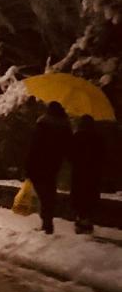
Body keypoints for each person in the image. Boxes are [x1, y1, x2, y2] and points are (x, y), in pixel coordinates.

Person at [25, 100, 72, 234]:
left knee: (44, 195)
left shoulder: (42, 124)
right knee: (48, 194)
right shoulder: (65, 126)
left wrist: (27, 167)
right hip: (53, 165)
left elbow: (34, 147)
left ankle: (47, 224)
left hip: (38, 165)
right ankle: (47, 223)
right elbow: (68, 149)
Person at [70, 114, 104, 234]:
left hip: (79, 173)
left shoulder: (77, 136)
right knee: (90, 197)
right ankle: (87, 221)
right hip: (93, 174)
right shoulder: (98, 137)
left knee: (79, 197)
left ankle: (80, 221)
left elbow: (71, 155)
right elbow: (101, 156)